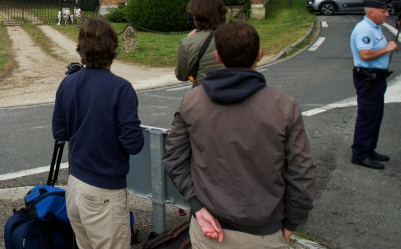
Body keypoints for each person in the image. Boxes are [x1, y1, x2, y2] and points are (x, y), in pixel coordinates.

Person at [163, 21, 315, 248]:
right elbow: (302, 174)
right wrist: (292, 222)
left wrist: (197, 205)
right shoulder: (283, 106)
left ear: (218, 56)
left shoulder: (193, 101)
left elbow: (174, 158)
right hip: (263, 232)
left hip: (209, 229)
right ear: (260, 55)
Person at [52, 18, 145, 249]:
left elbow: (60, 132)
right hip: (105, 190)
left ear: (80, 49)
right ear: (113, 49)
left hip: (75, 186)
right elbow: (134, 144)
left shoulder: (67, 84)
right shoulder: (120, 88)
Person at [349, 0, 396, 170]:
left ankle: (369, 149)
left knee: (375, 115)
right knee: (367, 116)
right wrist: (388, 48)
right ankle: (360, 154)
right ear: (371, 12)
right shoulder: (364, 30)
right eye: (383, 11)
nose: (387, 14)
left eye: (387, 11)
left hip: (377, 79)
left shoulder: (375, 27)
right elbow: (365, 55)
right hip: (368, 79)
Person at [175, 0, 226, 86]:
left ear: (195, 17)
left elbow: (182, 75)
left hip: (205, 94)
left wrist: (189, 40)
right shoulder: (238, 35)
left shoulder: (188, 43)